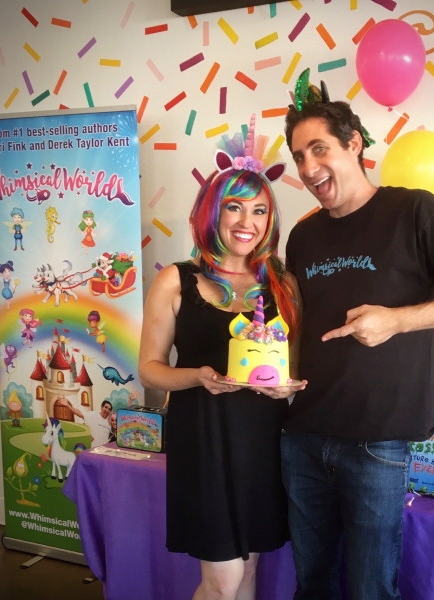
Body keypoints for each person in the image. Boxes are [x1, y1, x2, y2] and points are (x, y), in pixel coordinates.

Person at [280, 70, 434, 600]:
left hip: (377, 442)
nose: (308, 168)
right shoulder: (303, 235)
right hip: (303, 435)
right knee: (311, 585)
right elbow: (297, 326)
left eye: (319, 149)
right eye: (298, 156)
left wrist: (397, 319)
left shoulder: (415, 210)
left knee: (370, 590)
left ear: (354, 144)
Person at [138, 116, 305, 600]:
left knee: (247, 574)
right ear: (212, 212)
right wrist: (198, 376)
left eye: (259, 210)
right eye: (234, 207)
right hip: (203, 442)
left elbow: (290, 368)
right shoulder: (176, 279)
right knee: (223, 581)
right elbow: (149, 368)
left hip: (263, 444)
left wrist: (285, 387)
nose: (246, 223)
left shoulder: (283, 284)